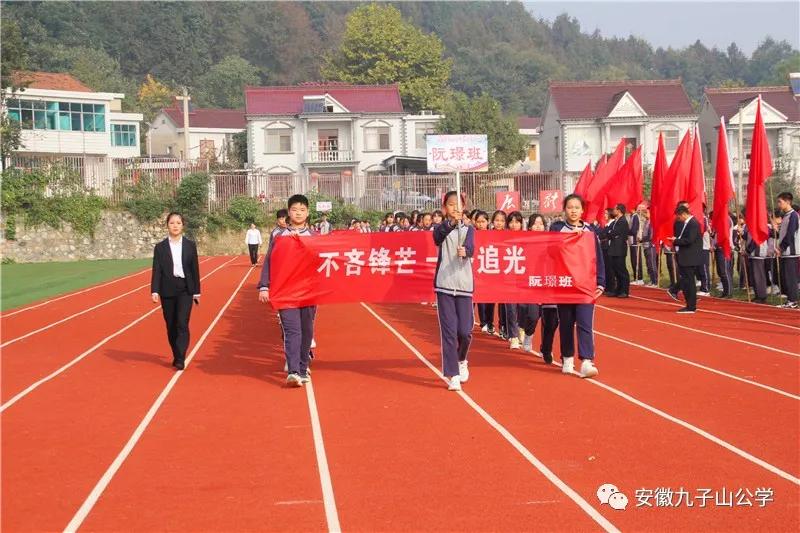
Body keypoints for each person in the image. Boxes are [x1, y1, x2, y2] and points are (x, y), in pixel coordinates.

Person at [258, 194, 317, 387]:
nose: (298, 213)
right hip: (285, 291)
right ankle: (292, 371)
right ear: (288, 213)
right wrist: (264, 286)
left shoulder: (314, 237)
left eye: (302, 210)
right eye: (294, 210)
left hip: (309, 291)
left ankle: (302, 367)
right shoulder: (280, 236)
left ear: (307, 213)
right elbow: (269, 261)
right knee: (292, 330)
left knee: (307, 331)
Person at [550, 194, 604, 378]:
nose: (573, 210)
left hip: (585, 285)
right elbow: (549, 251)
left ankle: (587, 361)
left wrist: (601, 281)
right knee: (566, 323)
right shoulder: (557, 230)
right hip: (564, 284)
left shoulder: (590, 232)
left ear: (582, 210)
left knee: (584, 323)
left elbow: (598, 257)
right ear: (564, 209)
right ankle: (567, 357)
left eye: (576, 207)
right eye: (569, 207)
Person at [433, 191, 475, 391]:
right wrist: (450, 224)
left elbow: (471, 248)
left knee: (465, 332)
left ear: (464, 207)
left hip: (465, 286)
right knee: (449, 332)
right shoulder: (441, 227)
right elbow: (437, 237)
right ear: (445, 208)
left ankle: (462, 359)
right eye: (450, 204)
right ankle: (453, 374)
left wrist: (465, 252)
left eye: (458, 205)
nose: (454, 208)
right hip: (445, 285)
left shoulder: (469, 229)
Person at [151, 212, 201, 371]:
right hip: (167, 289)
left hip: (185, 289)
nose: (175, 226)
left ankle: (180, 358)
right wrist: (155, 290)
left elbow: (195, 269)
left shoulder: (190, 245)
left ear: (182, 225)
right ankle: (176, 352)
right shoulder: (160, 248)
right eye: (172, 223)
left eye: (178, 223)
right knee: (171, 325)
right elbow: (156, 270)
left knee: (181, 322)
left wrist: (196, 291)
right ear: (167, 225)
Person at [520, 214, 559, 361]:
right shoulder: (525, 243)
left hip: (548, 284)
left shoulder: (550, 242)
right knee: (533, 315)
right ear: (529, 227)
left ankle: (545, 348)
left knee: (550, 320)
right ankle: (529, 335)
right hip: (532, 285)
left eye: (541, 224)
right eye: (535, 224)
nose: (538, 226)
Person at [668, 204, 702, 313]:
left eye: (679, 217)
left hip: (689, 257)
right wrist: (676, 239)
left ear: (683, 214)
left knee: (689, 282)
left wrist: (676, 241)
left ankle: (691, 306)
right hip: (685, 256)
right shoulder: (687, 223)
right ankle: (689, 305)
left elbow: (689, 240)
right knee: (687, 282)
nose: (679, 219)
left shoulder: (693, 223)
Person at [776, 191, 799, 309]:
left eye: (780, 202)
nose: (778, 204)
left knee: (791, 277)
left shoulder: (793, 215)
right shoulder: (785, 216)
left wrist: (781, 247)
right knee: (785, 276)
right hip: (785, 252)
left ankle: (793, 300)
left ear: (787, 201)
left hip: (791, 252)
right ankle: (790, 299)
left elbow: (790, 235)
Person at [607, 203, 630, 298]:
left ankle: (624, 290)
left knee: (621, 270)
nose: (613, 211)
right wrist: (610, 233)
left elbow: (613, 233)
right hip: (614, 249)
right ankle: (618, 289)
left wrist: (611, 233)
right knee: (615, 270)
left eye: (615, 209)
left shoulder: (623, 221)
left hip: (619, 249)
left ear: (619, 210)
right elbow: (610, 232)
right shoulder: (617, 221)